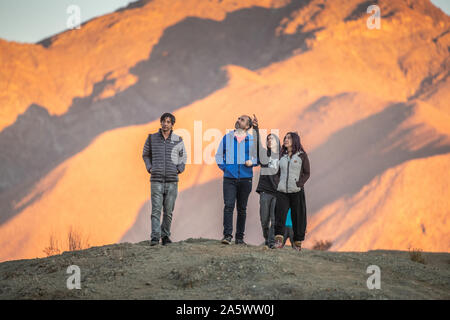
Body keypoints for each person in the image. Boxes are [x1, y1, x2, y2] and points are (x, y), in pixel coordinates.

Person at [142, 112, 187, 246]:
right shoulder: (151, 138)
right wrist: (150, 167)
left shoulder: (178, 140)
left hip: (172, 181)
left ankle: (165, 236)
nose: (165, 124)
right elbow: (145, 155)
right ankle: (155, 238)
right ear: (160, 122)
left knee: (168, 212)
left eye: (168, 122)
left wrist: (179, 169)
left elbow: (183, 157)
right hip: (156, 180)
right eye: (163, 121)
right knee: (156, 211)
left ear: (172, 124)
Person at [215, 115, 258, 245]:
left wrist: (252, 163)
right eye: (239, 118)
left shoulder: (251, 140)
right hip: (229, 179)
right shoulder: (227, 137)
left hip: (246, 179)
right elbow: (218, 155)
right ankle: (227, 236)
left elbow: (258, 158)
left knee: (242, 209)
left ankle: (239, 238)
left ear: (248, 126)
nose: (239, 120)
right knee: (228, 206)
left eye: (243, 119)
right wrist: (226, 168)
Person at [273, 132, 310, 251]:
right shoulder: (281, 156)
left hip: (296, 191)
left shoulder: (302, 156)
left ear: (295, 140)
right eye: (285, 138)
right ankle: (278, 240)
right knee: (280, 215)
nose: (286, 139)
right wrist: (278, 183)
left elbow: (307, 172)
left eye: (289, 138)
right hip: (282, 191)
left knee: (297, 216)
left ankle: (297, 243)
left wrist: (299, 184)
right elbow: (277, 173)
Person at [253, 115, 281, 249]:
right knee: (264, 220)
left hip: (277, 192)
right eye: (268, 139)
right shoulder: (264, 154)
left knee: (274, 220)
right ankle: (266, 239)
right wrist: (255, 128)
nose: (270, 141)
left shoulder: (282, 157)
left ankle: (270, 243)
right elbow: (257, 142)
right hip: (265, 191)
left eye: (272, 139)